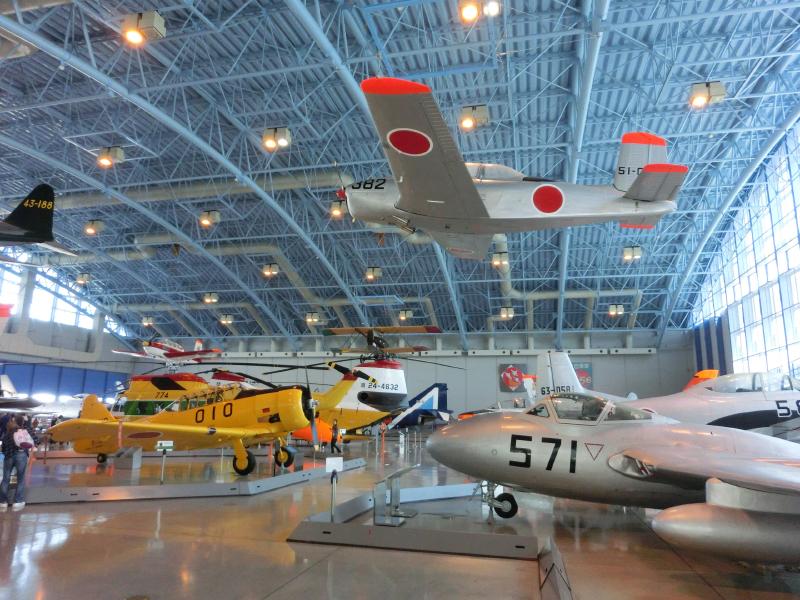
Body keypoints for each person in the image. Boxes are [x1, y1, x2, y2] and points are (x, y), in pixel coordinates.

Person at [0, 415, 36, 510]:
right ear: (22, 422)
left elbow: (3, 449)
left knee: (5, 479)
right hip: (21, 455)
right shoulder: (23, 432)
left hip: (8, 457)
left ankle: (2, 502)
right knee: (20, 479)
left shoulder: (7, 435)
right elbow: (35, 440)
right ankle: (18, 501)